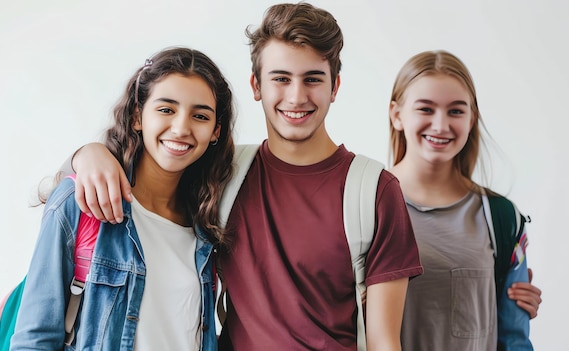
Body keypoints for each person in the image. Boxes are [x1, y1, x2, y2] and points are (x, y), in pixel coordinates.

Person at [63, 3, 423, 351]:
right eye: (280, 78)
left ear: (335, 87)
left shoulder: (375, 190)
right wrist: (86, 155)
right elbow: (146, 174)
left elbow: (384, 342)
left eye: (312, 79)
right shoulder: (221, 172)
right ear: (256, 85)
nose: (296, 97)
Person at [10, 47, 235, 350]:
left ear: (215, 131)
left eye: (200, 115)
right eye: (166, 109)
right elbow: (33, 340)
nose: (182, 128)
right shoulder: (81, 201)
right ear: (137, 116)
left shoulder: (208, 226)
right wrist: (84, 153)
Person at [388, 50, 540, 350]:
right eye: (426, 109)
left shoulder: (502, 218)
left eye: (456, 111)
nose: (441, 126)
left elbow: (515, 339)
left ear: (472, 120)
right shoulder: (359, 206)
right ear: (397, 115)